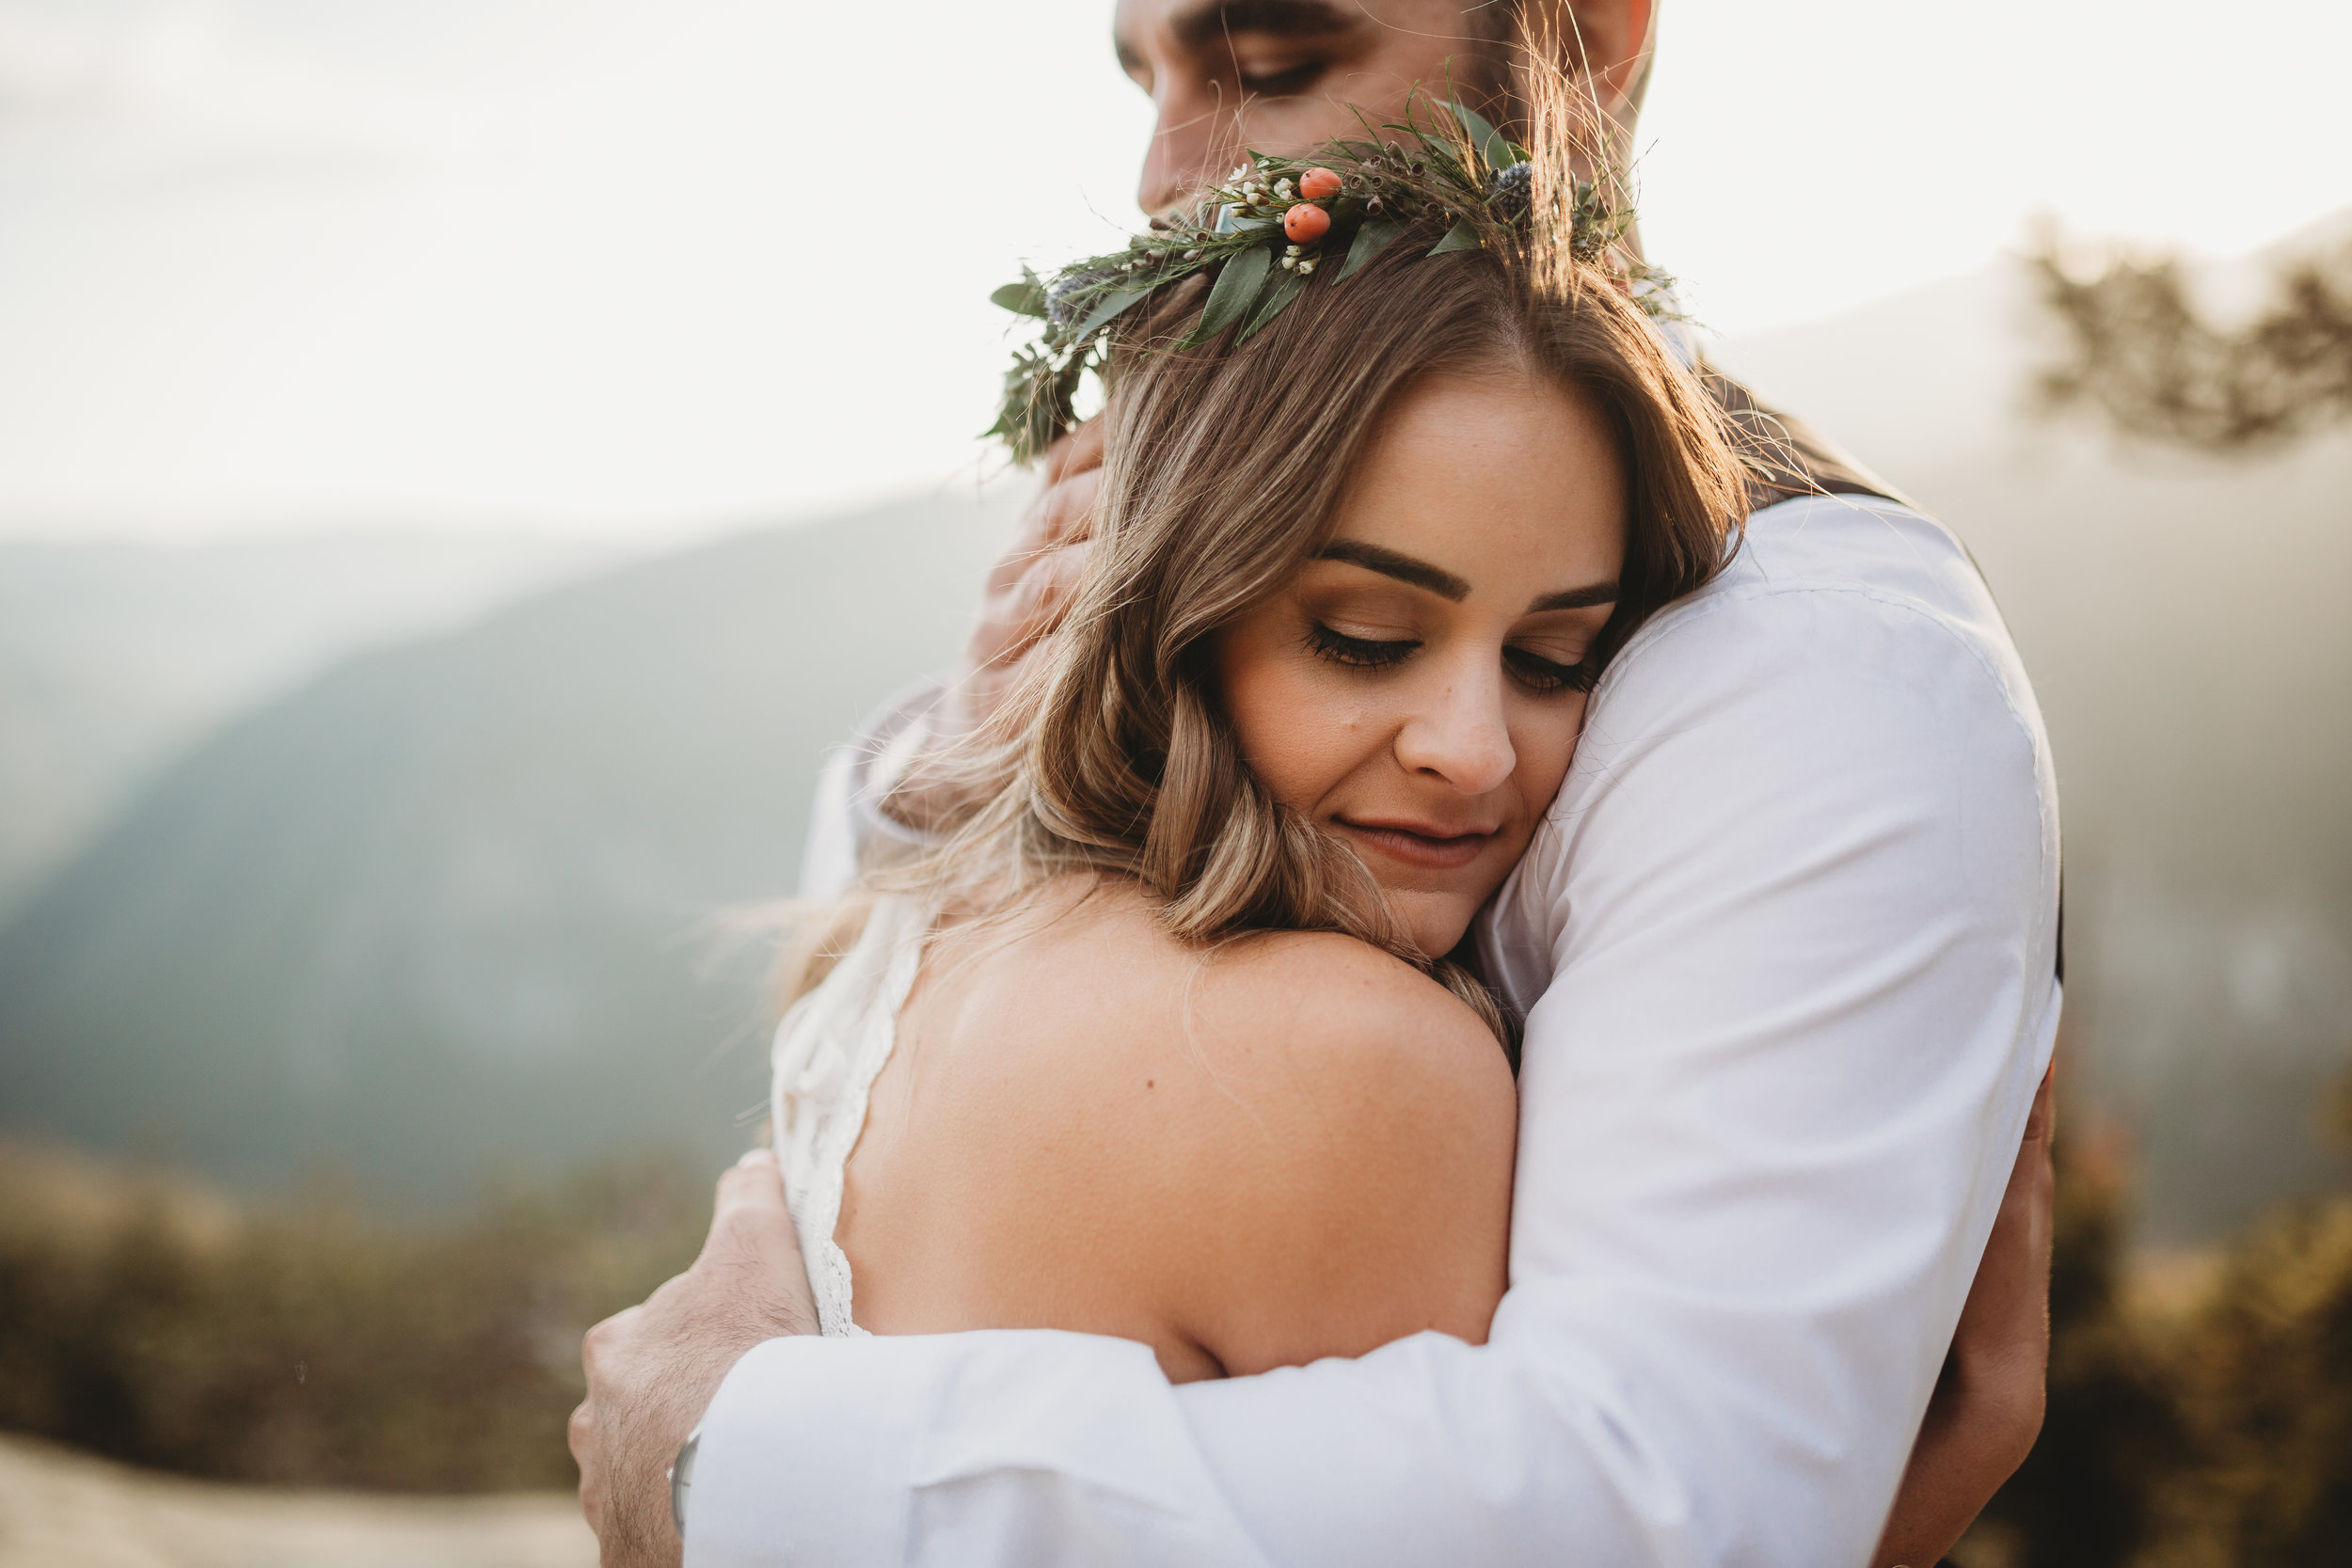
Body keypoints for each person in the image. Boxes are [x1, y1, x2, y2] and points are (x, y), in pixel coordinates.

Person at [570, 6, 2060, 1566]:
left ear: (1591, 45)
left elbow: (1672, 1503)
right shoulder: (1123, 656)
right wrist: (979, 763)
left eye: (1274, 69)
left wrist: (744, 1465)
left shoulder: (1818, 660)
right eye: (1358, 635)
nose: (1162, 174)